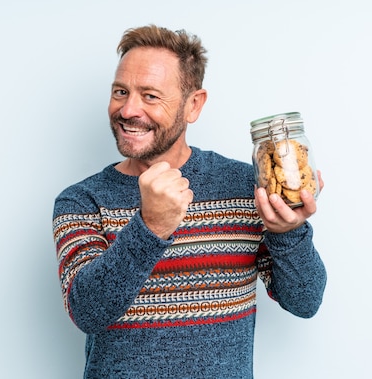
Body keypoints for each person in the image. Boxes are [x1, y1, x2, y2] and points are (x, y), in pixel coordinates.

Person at [52, 24, 327, 378]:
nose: (128, 109)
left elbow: (305, 301)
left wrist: (288, 231)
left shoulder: (246, 185)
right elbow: (87, 312)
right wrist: (150, 228)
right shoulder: (82, 200)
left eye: (150, 96)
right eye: (121, 91)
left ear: (193, 105)